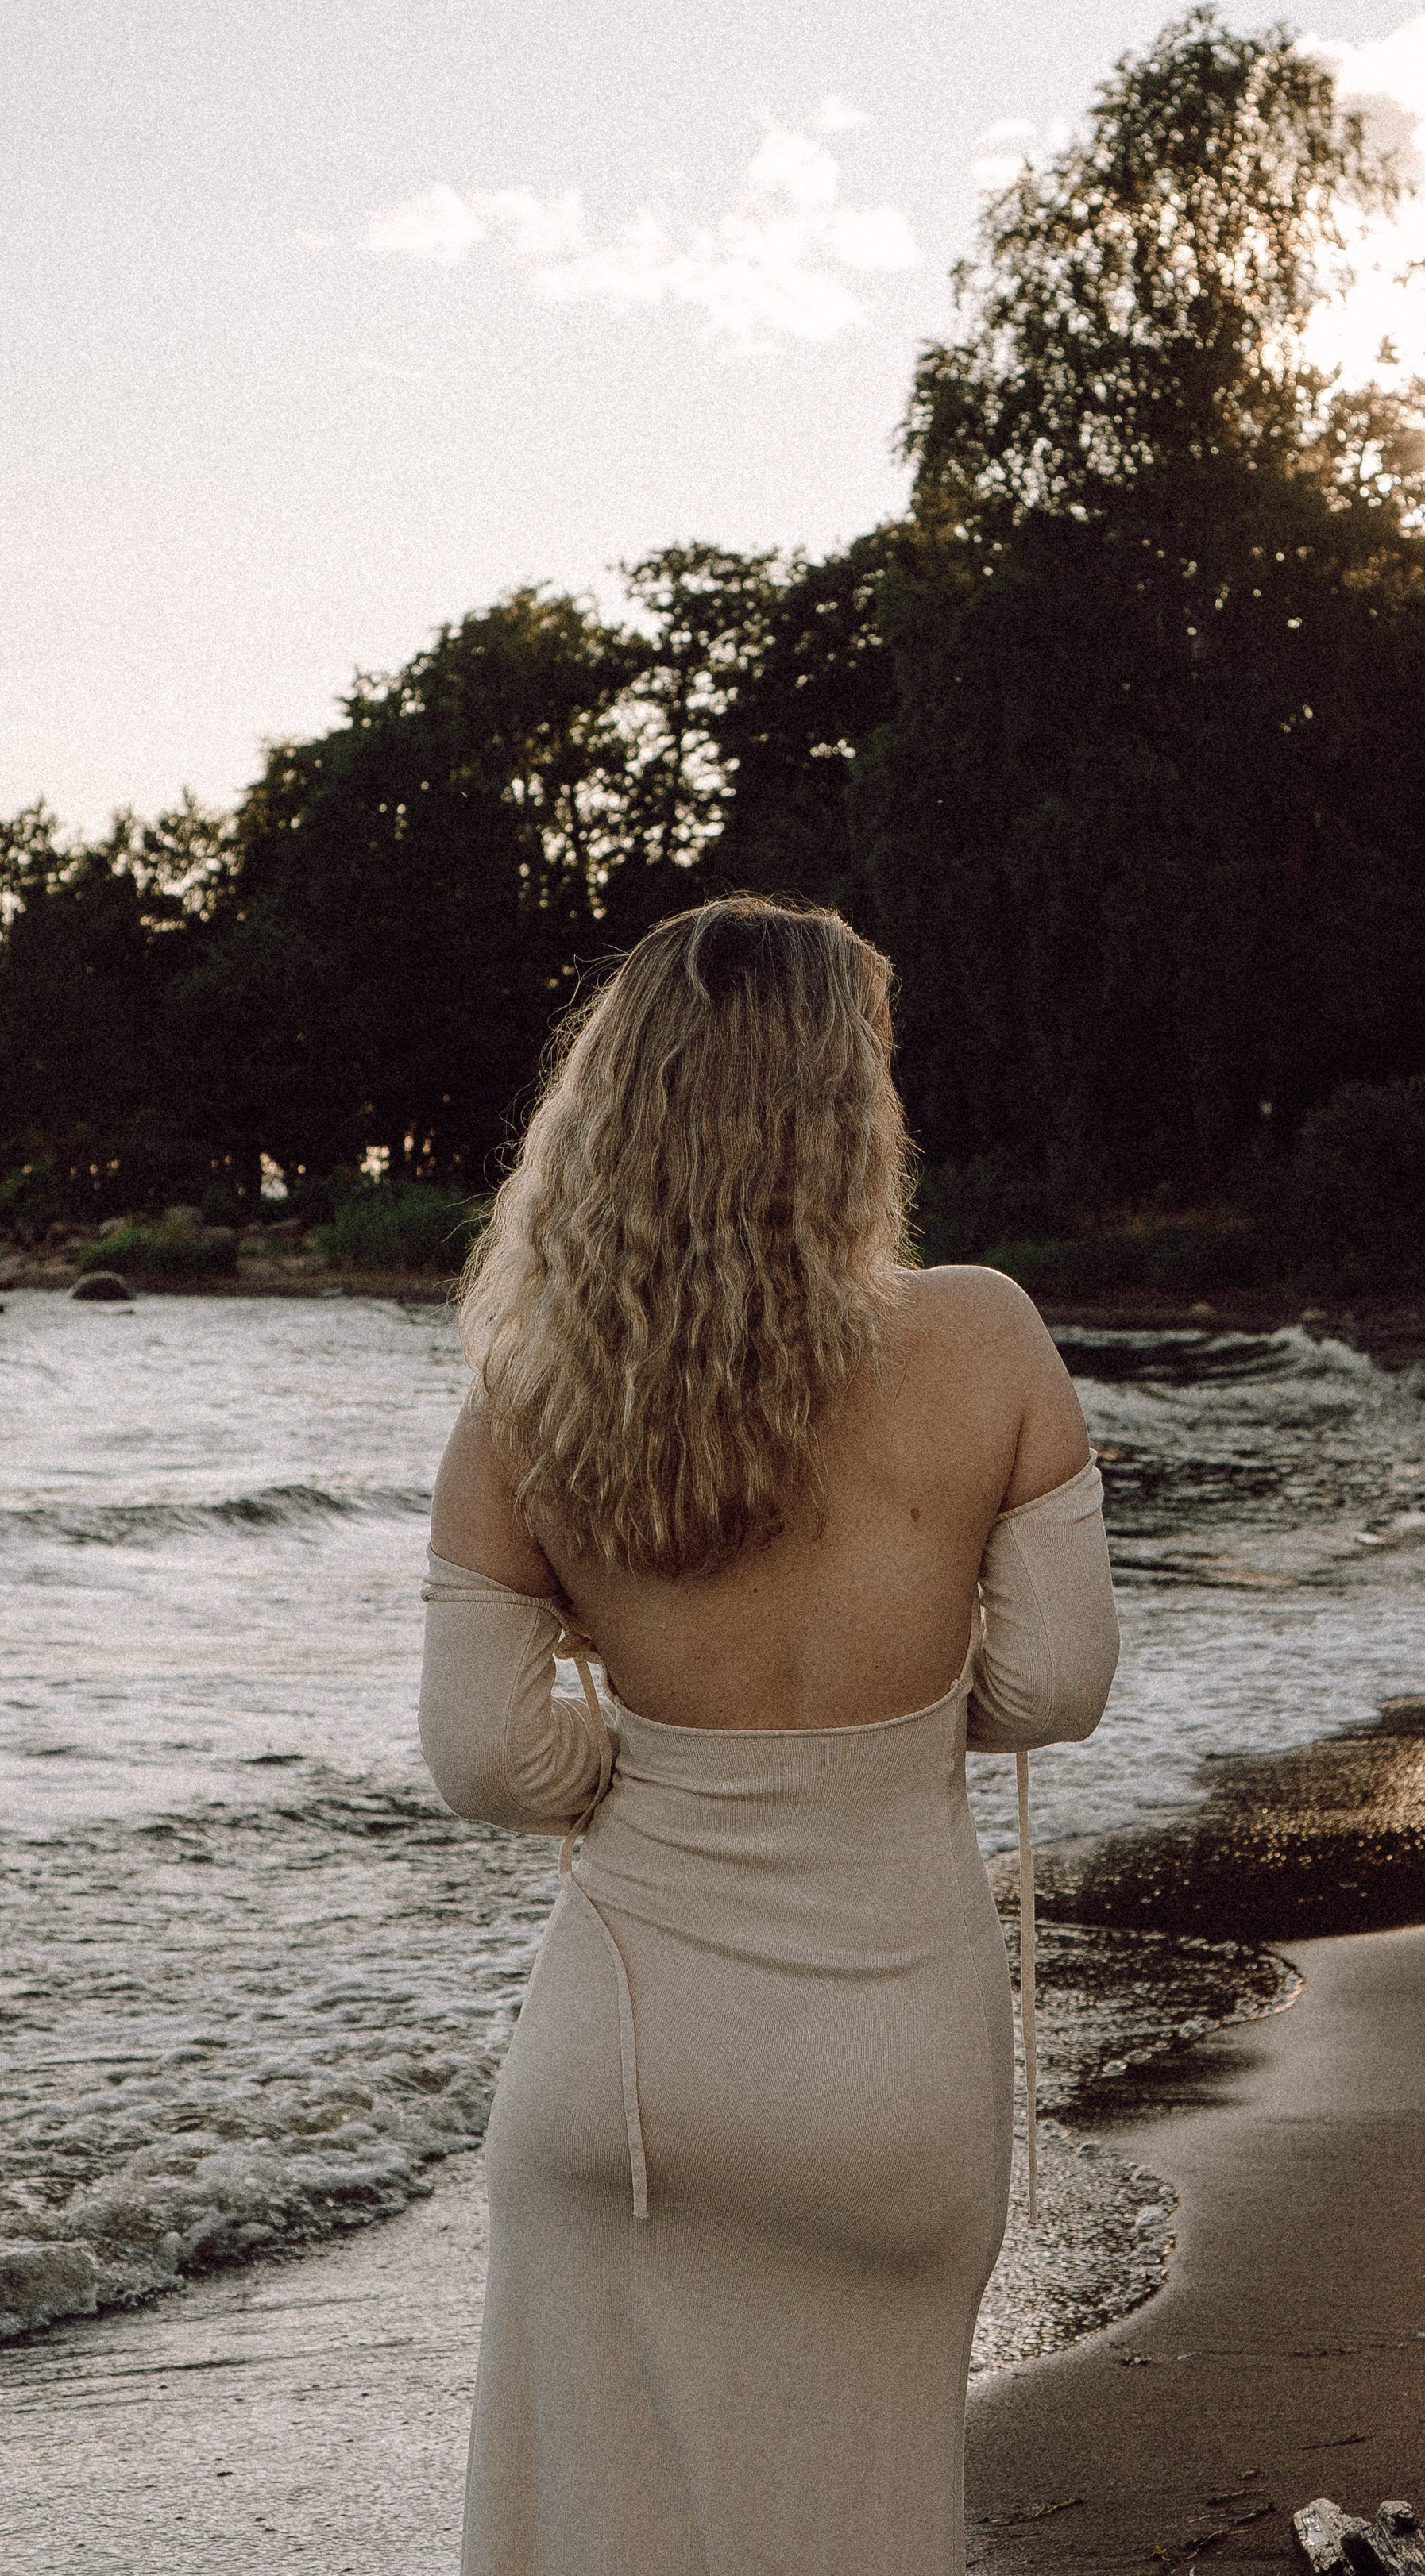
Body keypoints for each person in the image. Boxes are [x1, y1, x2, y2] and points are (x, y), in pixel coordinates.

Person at [419, 897, 1119, 2576]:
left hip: (623, 2089)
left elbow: (485, 1760)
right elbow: (1053, 1689)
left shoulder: (529, 1391)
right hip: (887, 2086)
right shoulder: (985, 1336)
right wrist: (891, 1720)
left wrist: (639, 1765)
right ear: (840, 1110)